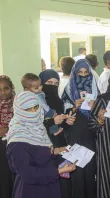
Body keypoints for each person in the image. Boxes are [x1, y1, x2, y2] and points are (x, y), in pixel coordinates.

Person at [6, 91, 76, 198]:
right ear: (19, 111)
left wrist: (57, 150)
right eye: (28, 109)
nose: (34, 112)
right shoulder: (17, 139)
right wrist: (59, 171)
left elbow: (39, 153)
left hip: (50, 186)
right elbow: (27, 174)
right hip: (31, 190)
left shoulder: (38, 128)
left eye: (36, 107)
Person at [61, 59, 98, 198]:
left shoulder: (96, 92)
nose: (83, 76)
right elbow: (63, 119)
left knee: (89, 172)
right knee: (76, 172)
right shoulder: (68, 92)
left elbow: (100, 119)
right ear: (74, 74)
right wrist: (74, 107)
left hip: (90, 138)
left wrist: (95, 108)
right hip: (74, 138)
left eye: (86, 73)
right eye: (79, 73)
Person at [39, 69, 74, 198]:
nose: (53, 86)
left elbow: (58, 126)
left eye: (56, 83)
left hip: (59, 143)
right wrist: (51, 122)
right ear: (41, 84)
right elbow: (34, 125)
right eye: (49, 82)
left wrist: (67, 123)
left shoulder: (59, 102)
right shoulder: (36, 102)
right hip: (43, 145)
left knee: (62, 181)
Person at [0, 76, 15, 198]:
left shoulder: (18, 104)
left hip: (15, 146)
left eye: (6, 88)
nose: (3, 92)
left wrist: (9, 129)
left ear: (11, 89)